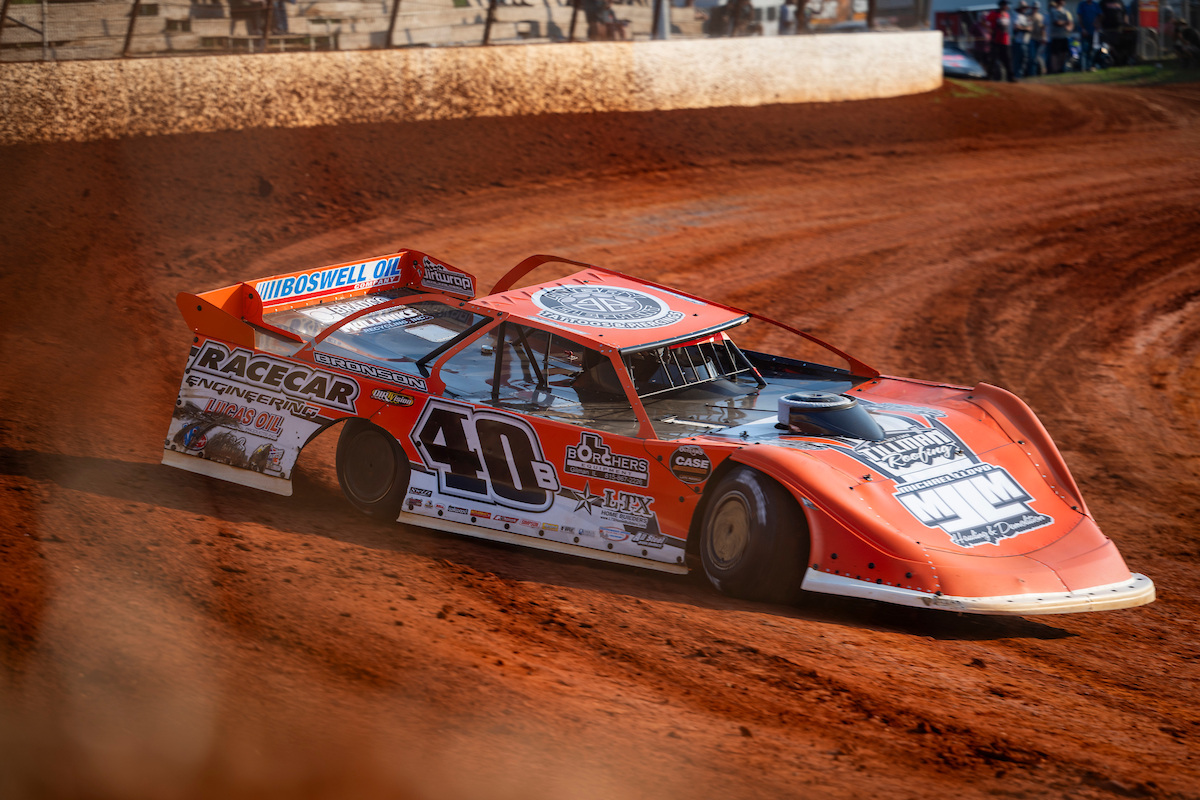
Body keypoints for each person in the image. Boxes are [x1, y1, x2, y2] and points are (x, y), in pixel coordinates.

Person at [985, 0, 1018, 81]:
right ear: (1001, 5)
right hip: (995, 40)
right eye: (1005, 5)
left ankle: (1010, 77)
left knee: (1007, 59)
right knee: (993, 59)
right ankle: (989, 76)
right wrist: (990, 31)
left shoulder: (1007, 15)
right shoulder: (994, 13)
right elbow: (986, 22)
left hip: (1005, 41)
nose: (1007, 6)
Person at [1048, 0, 1074, 73]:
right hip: (1056, 36)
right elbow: (1056, 22)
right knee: (1055, 54)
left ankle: (1061, 68)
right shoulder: (1054, 11)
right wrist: (1066, 23)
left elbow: (1071, 23)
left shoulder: (1066, 12)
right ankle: (1055, 70)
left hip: (1064, 36)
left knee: (1064, 53)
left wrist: (1069, 28)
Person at [1076, 0, 1101, 70]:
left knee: (1092, 50)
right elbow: (1079, 17)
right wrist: (1083, 29)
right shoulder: (1082, 5)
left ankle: (1090, 66)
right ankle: (1083, 67)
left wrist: (1097, 24)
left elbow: (1100, 15)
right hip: (1084, 32)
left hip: (1093, 31)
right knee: (1084, 50)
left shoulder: (1095, 5)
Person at [1013, 3, 1033, 78]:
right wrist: (1025, 28)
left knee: (1025, 59)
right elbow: (1016, 27)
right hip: (1018, 41)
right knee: (1018, 59)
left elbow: (1030, 28)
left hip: (1025, 41)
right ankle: (1017, 75)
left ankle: (1021, 75)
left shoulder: (1025, 17)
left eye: (1025, 8)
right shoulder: (1016, 16)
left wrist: (1023, 28)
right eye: (1023, 8)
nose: (1025, 9)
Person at [1028, 2, 1048, 75]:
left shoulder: (1041, 17)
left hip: (1039, 39)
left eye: (1036, 8)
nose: (1034, 9)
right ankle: (1032, 73)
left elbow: (1043, 28)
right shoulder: (1028, 16)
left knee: (1037, 57)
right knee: (1032, 57)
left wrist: (1043, 37)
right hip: (1031, 39)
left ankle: (1037, 73)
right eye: (1033, 8)